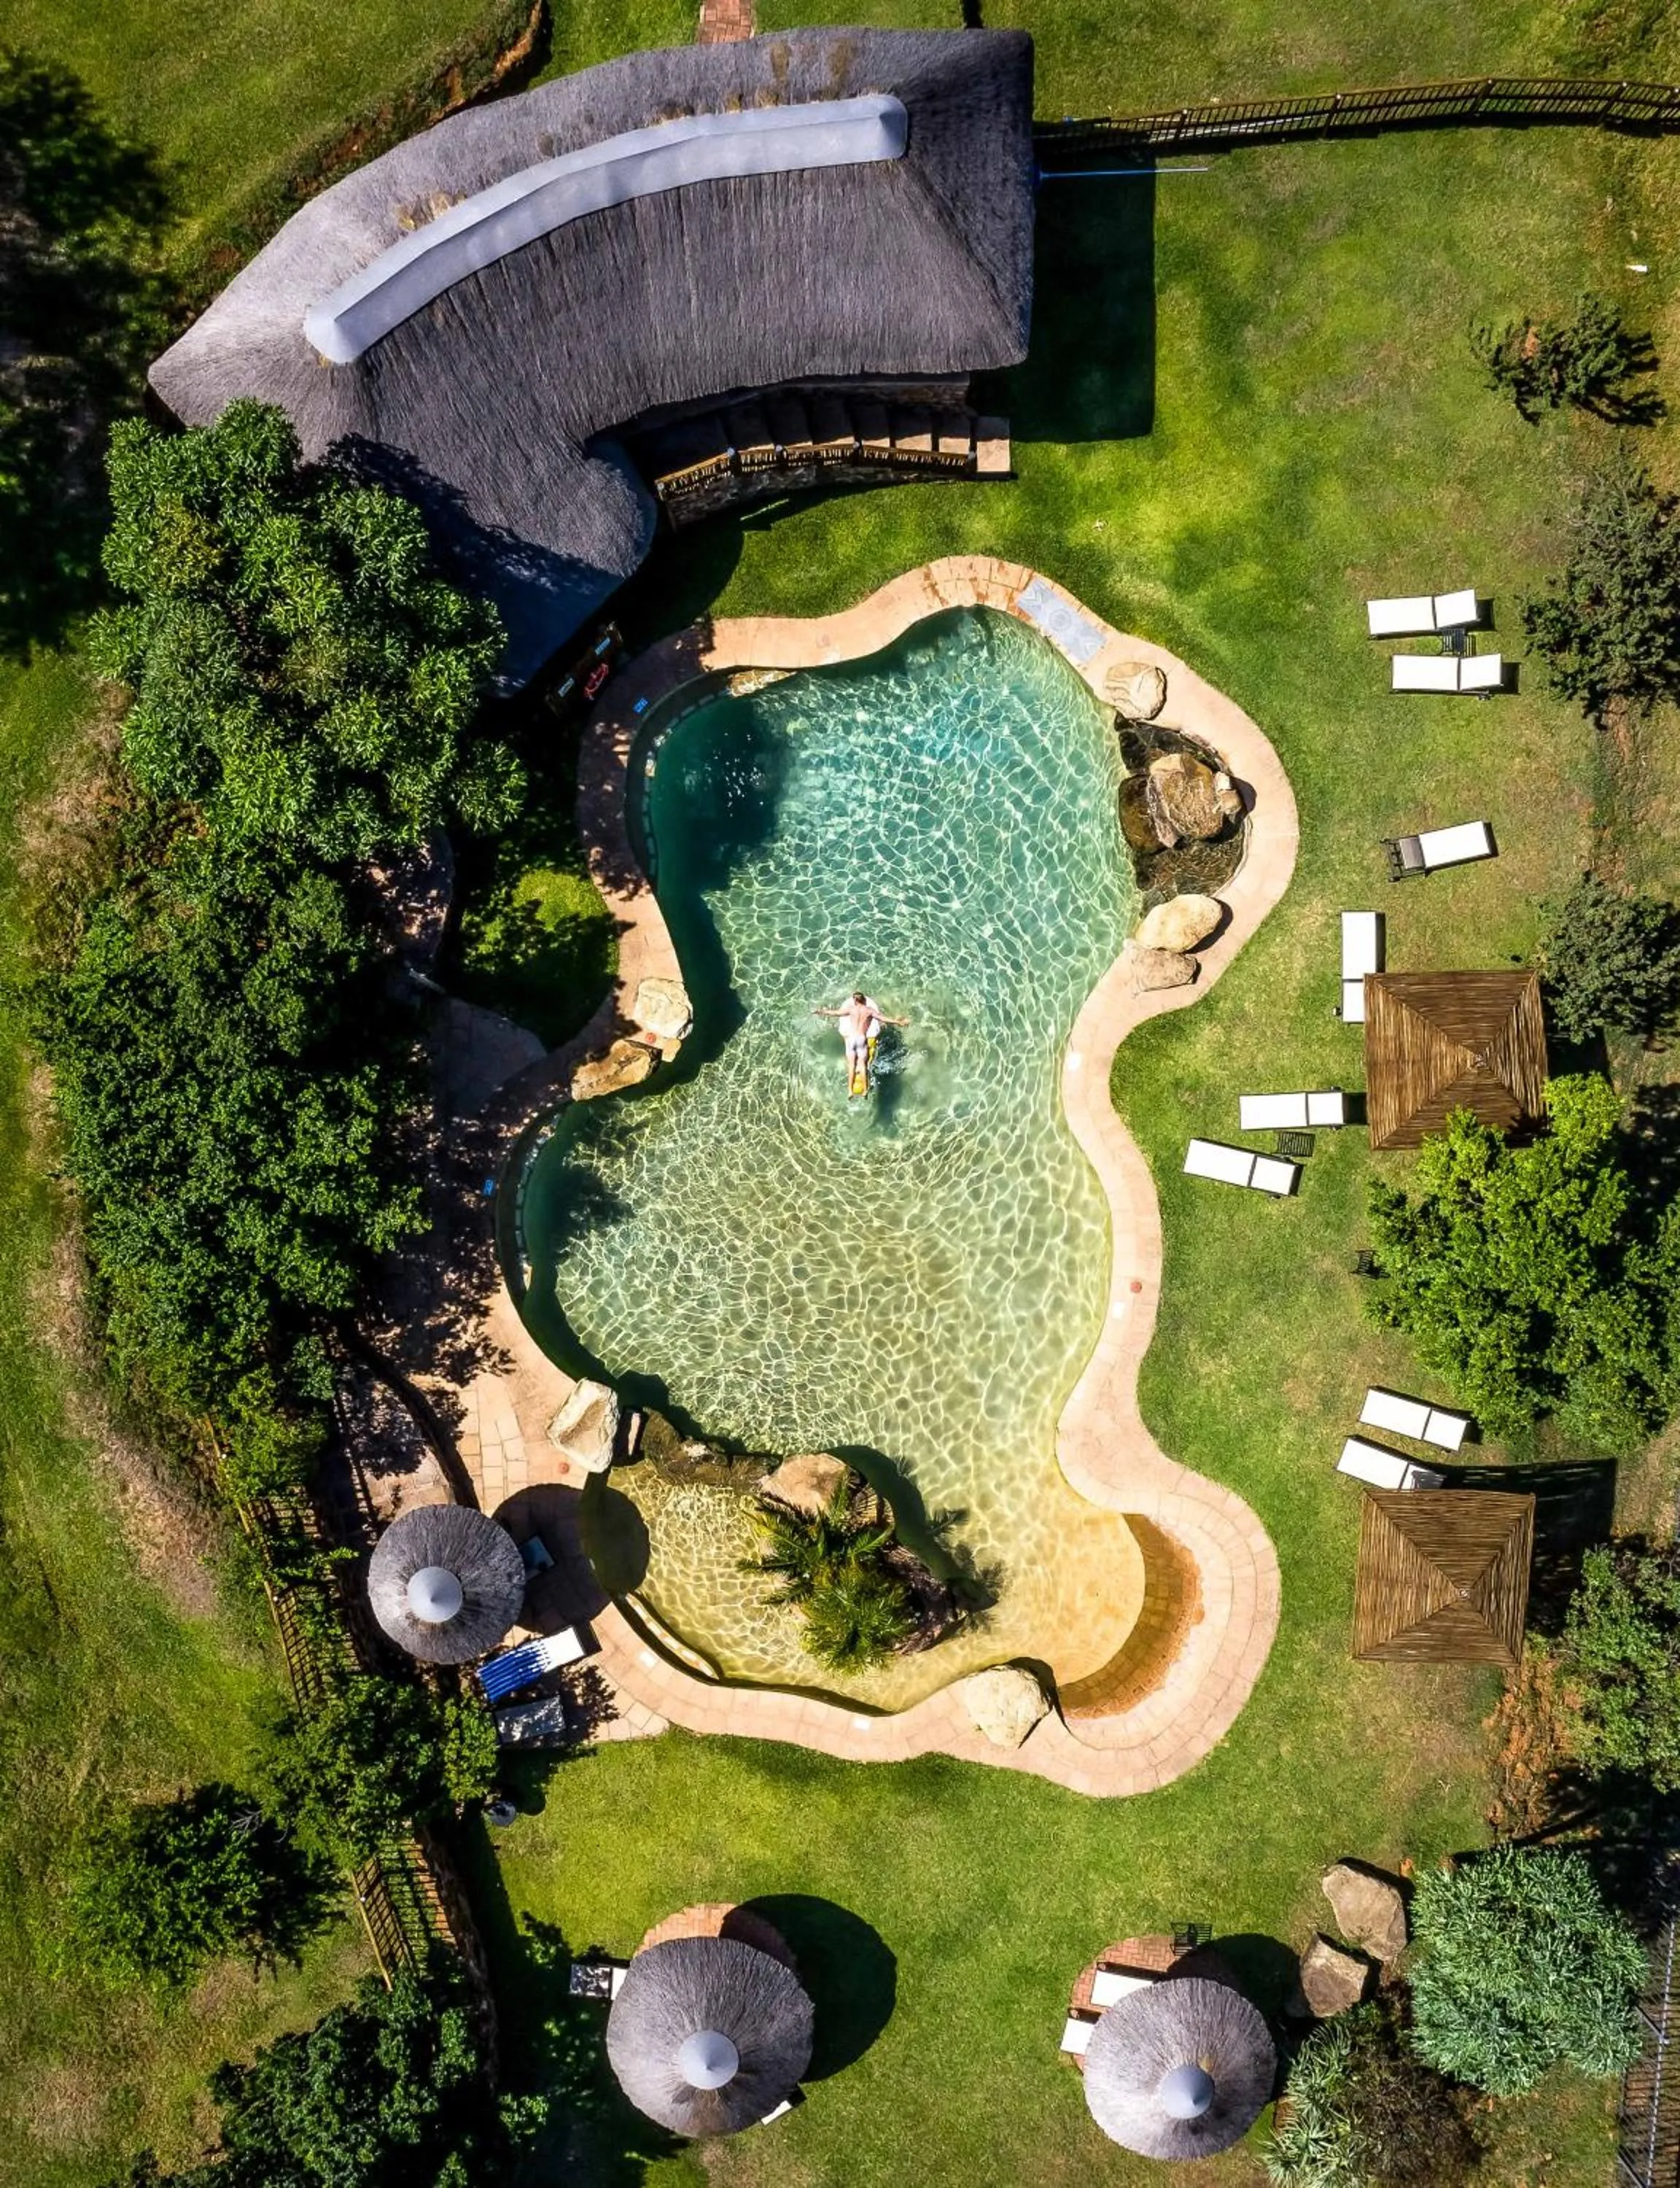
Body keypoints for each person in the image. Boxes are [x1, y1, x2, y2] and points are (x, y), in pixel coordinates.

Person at [814, 990, 909, 1093]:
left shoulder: (851, 1010)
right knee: (862, 1064)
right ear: (864, 1000)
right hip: (861, 1038)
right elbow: (883, 1019)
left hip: (851, 1039)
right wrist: (898, 1022)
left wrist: (821, 1012)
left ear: (855, 1001)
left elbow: (836, 1013)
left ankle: (850, 1091)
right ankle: (865, 1090)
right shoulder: (869, 1010)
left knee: (851, 1065)